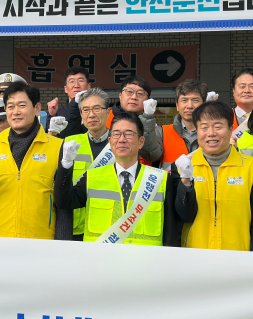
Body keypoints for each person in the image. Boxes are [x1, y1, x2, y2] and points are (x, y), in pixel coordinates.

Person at [56, 111, 175, 244]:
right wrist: (66, 164)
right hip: (102, 256)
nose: (122, 139)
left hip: (145, 256)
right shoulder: (92, 177)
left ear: (141, 142)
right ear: (110, 141)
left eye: (128, 134)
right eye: (116, 134)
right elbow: (64, 202)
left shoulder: (160, 179)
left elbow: (170, 231)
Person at [173, 101, 253, 252]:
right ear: (197, 130)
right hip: (193, 255)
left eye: (218, 126)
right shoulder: (182, 168)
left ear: (231, 129)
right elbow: (180, 216)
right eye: (204, 127)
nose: (211, 133)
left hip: (238, 256)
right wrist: (186, 182)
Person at [0, 81, 64, 240]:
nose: (15, 112)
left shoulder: (57, 147)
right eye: (10, 106)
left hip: (41, 242)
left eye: (22, 105)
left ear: (37, 108)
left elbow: (64, 206)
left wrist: (62, 245)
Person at [60, 88, 115, 240]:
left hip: (111, 228)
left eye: (97, 108)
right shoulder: (70, 144)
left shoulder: (120, 144)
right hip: (78, 228)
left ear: (108, 112)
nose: (91, 115)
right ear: (81, 114)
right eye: (86, 110)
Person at [102, 75, 161, 165]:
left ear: (147, 100)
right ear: (120, 96)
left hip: (142, 172)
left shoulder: (153, 126)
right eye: (129, 92)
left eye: (140, 93)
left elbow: (153, 155)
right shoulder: (104, 118)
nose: (134, 97)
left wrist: (148, 119)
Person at [159, 79, 207, 171]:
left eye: (195, 100)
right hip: (172, 180)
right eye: (184, 100)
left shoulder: (214, 133)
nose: (189, 106)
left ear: (204, 105)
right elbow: (149, 154)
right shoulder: (161, 132)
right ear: (177, 105)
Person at [56, 66, 92, 138]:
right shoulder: (57, 113)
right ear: (65, 89)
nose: (76, 85)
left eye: (81, 81)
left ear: (89, 86)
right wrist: (51, 116)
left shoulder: (95, 112)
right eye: (72, 81)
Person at [230, 68, 253, 137]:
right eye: (242, 87)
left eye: (252, 87)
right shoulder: (224, 116)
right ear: (233, 91)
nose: (247, 91)